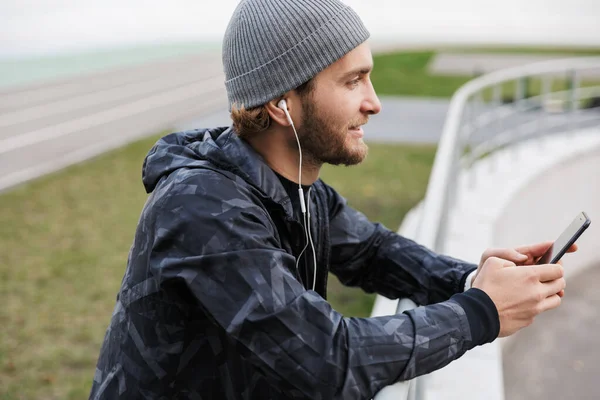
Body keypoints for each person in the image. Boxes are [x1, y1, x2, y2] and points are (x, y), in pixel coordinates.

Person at [89, 0, 574, 399]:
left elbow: (374, 252)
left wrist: (475, 278)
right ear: (282, 102)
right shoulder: (200, 206)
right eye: (352, 80)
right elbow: (327, 359)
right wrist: (480, 312)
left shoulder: (297, 188)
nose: (374, 102)